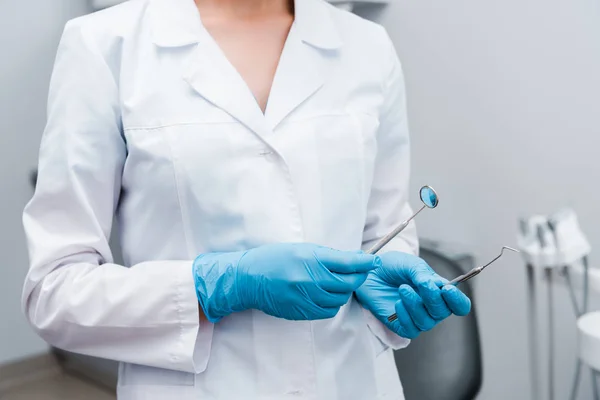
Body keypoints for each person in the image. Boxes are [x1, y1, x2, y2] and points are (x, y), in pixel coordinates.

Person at [21, 0, 471, 399]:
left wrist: (392, 288)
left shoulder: (368, 47)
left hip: (353, 382)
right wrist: (218, 284)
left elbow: (385, 229)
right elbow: (54, 292)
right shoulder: (106, 45)